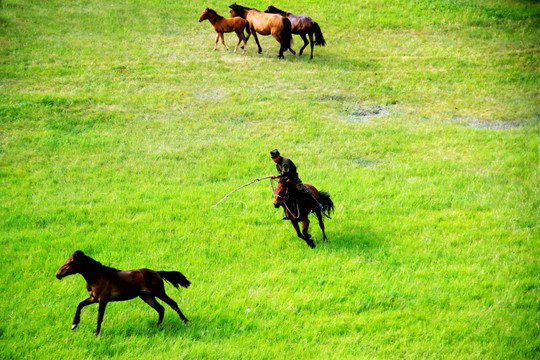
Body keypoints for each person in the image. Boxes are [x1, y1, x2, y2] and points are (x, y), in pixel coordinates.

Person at [270, 149, 322, 216]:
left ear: (279, 156)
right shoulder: (278, 163)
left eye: (274, 158)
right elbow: (282, 174)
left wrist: (277, 176)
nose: (273, 160)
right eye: (272, 159)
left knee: (303, 191)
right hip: (285, 180)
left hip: (293, 180)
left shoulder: (285, 161)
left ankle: (317, 204)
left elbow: (285, 173)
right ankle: (287, 213)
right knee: (281, 194)